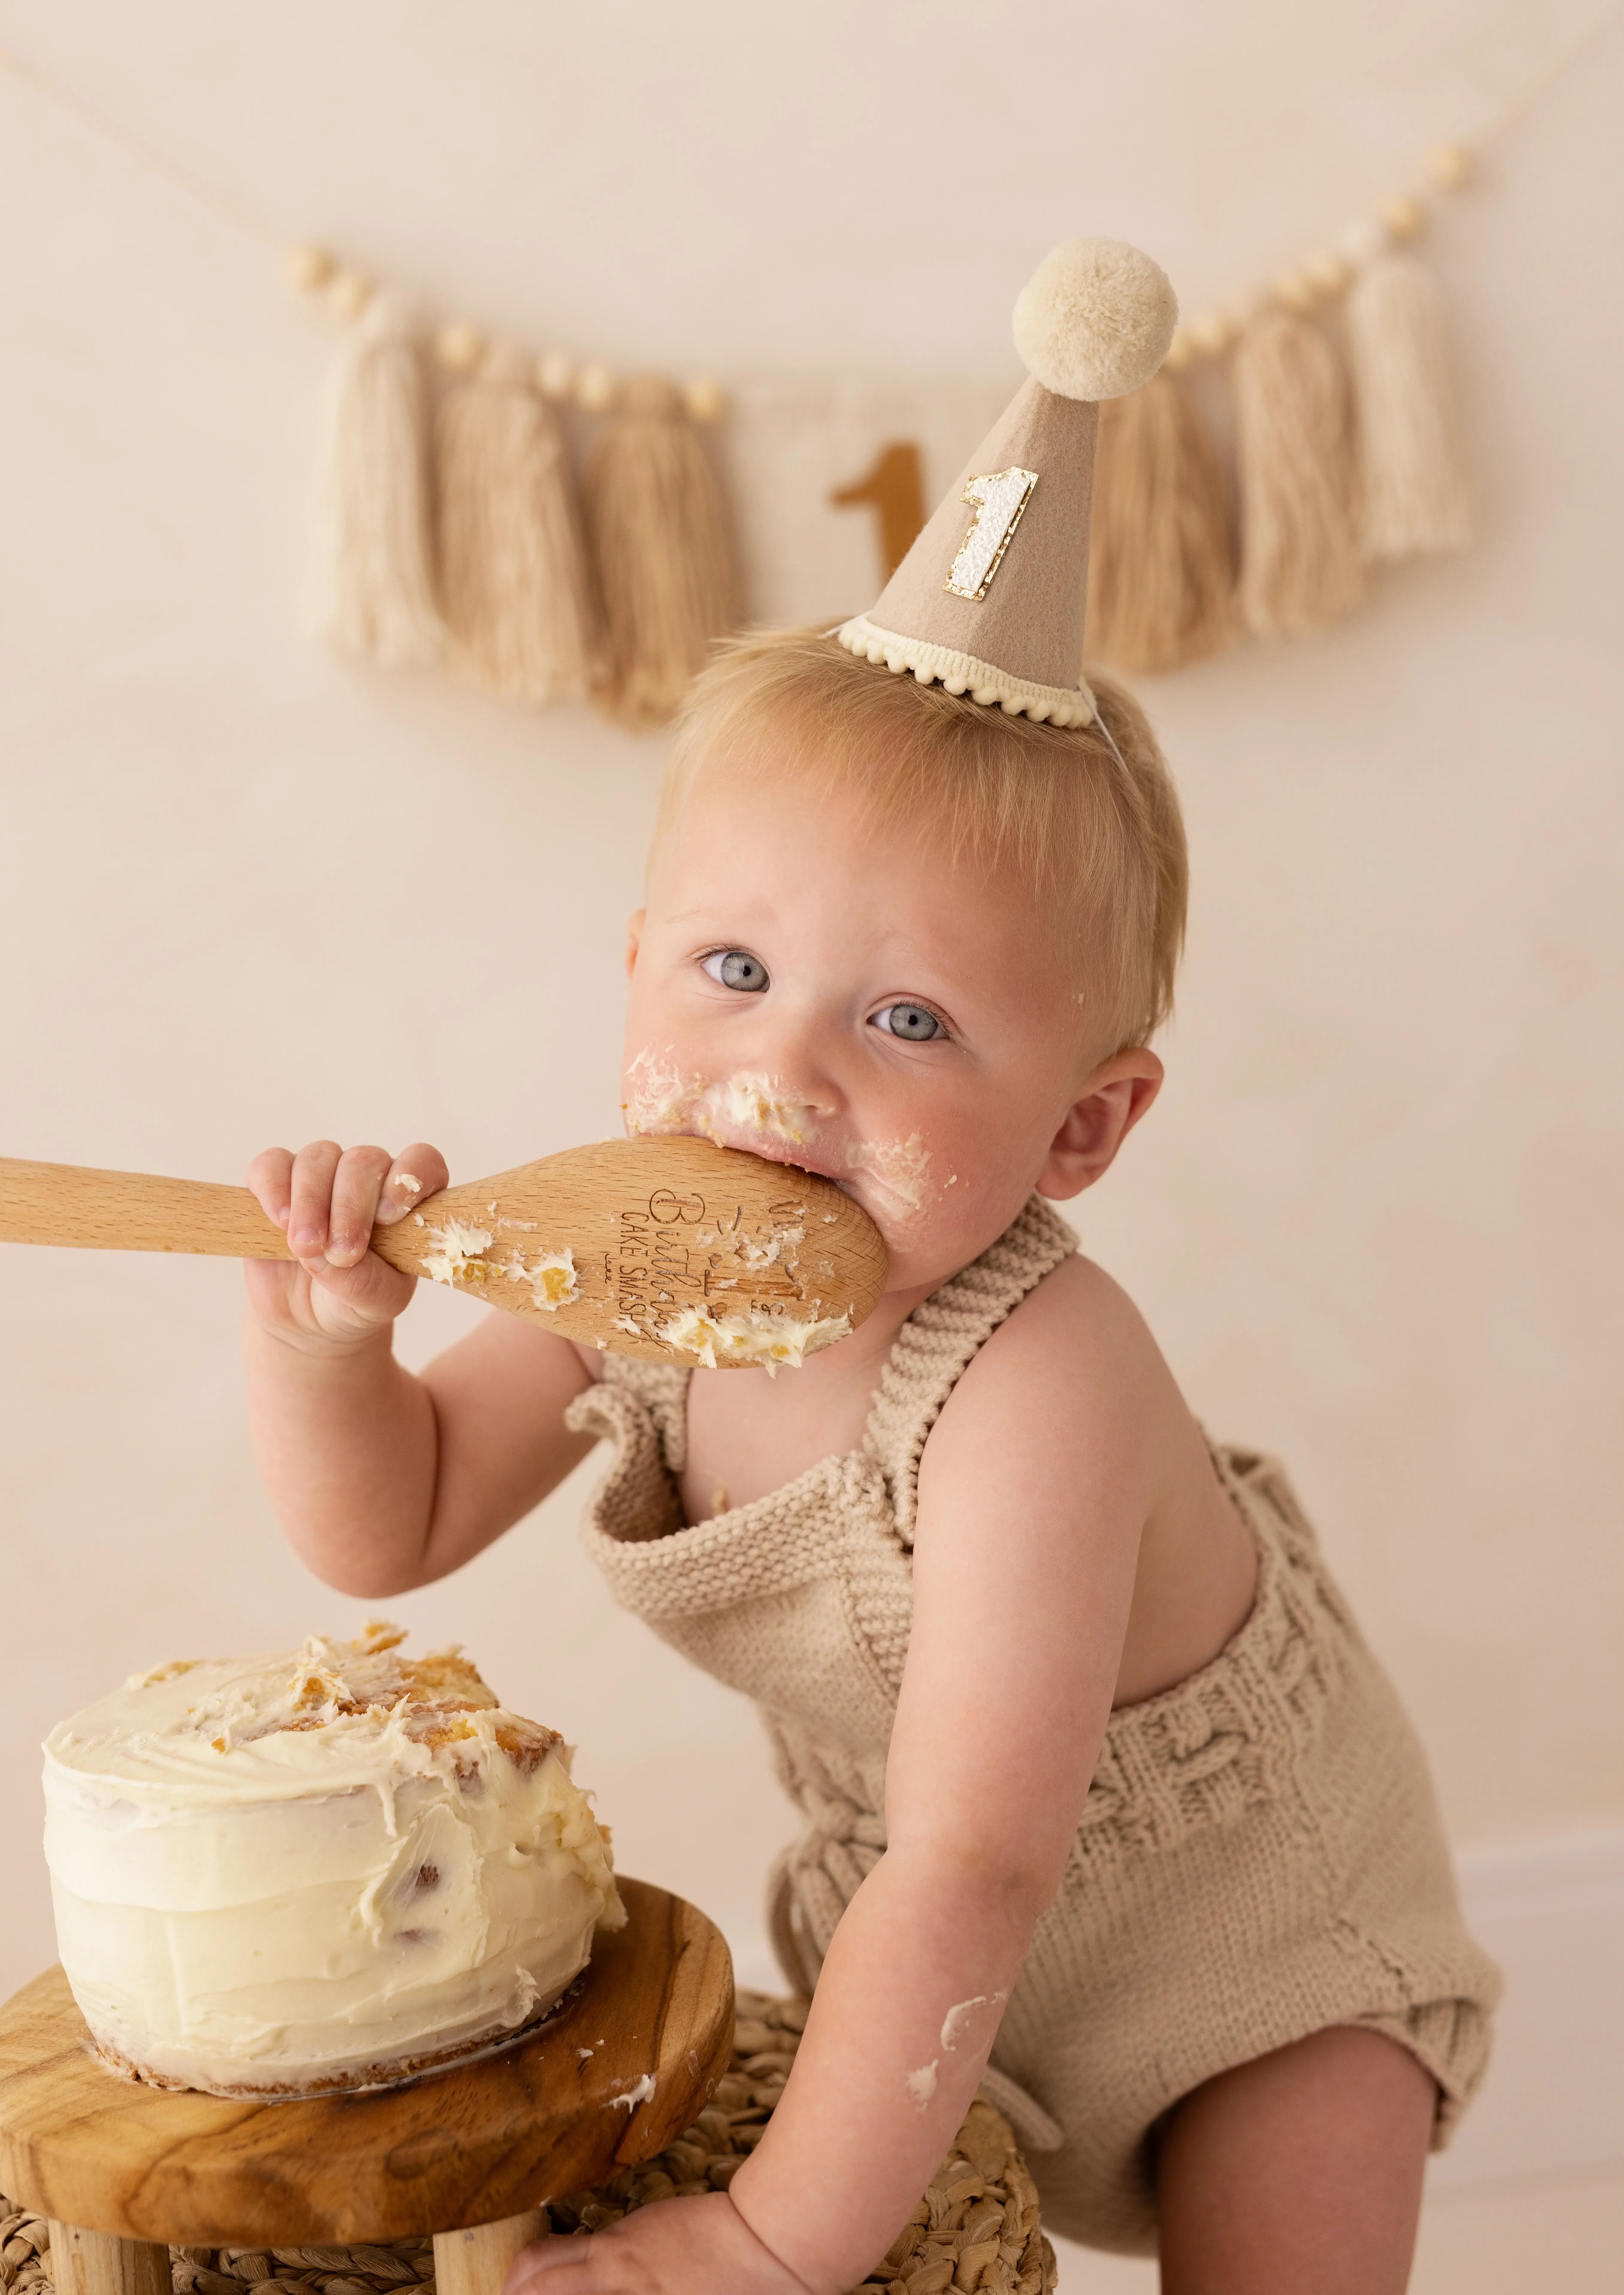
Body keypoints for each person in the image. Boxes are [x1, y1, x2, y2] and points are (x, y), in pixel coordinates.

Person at [241, 243, 1497, 2294]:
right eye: (732, 972)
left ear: (1081, 1128)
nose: (780, 1076)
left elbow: (982, 1854)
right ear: (634, 963)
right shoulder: (631, 1262)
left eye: (906, 1023)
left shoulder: (1036, 1382)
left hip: (1256, 1925)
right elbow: (392, 1524)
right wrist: (329, 1344)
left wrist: (753, 2241)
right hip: (926, 1920)